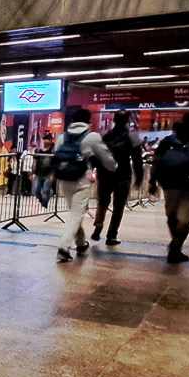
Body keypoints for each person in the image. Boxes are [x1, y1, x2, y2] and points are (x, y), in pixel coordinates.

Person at [50, 107, 117, 263]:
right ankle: (63, 247)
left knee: (75, 213)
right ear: (88, 121)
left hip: (65, 179)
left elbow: (57, 154)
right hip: (81, 181)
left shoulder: (62, 137)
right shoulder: (92, 136)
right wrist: (114, 167)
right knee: (76, 215)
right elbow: (106, 158)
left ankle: (81, 244)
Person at [149, 110, 189, 264]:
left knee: (172, 216)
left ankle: (175, 247)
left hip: (170, 183)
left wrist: (152, 181)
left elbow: (157, 161)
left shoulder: (168, 140)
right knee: (184, 219)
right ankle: (175, 247)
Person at [90, 110, 142, 246]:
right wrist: (139, 176)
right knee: (118, 207)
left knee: (102, 202)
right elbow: (137, 160)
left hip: (105, 173)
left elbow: (97, 155)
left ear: (114, 120)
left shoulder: (106, 136)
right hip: (123, 174)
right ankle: (111, 235)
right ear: (128, 121)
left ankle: (98, 226)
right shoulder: (132, 137)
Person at [33, 136, 56, 207]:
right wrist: (32, 172)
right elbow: (35, 161)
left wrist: (53, 174)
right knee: (36, 191)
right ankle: (49, 194)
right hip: (39, 173)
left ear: (50, 141)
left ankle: (44, 204)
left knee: (45, 190)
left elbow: (56, 163)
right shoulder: (39, 150)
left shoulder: (53, 151)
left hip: (48, 174)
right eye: (44, 140)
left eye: (47, 140)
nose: (45, 141)